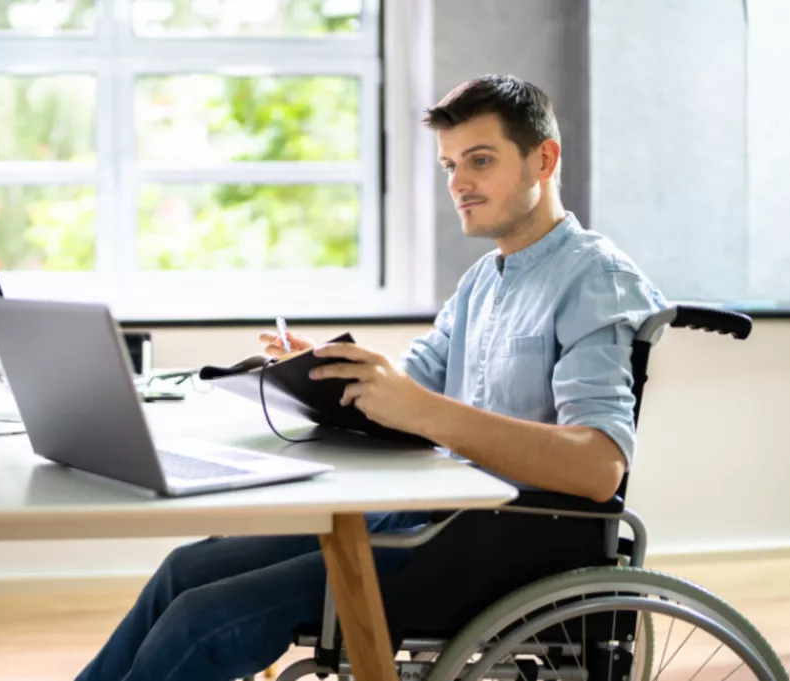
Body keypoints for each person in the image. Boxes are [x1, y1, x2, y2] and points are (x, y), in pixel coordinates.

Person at [76, 74, 667, 681]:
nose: (459, 183)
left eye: (480, 161)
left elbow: (598, 468)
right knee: (185, 569)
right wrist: (326, 372)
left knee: (203, 617)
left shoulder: (594, 278)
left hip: (493, 546)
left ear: (543, 159)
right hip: (424, 518)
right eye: (449, 165)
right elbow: (412, 382)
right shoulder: (483, 281)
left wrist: (421, 410)